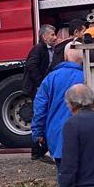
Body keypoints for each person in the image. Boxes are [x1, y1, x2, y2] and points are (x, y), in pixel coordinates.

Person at [31, 47, 84, 168]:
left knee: (63, 173)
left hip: (57, 135)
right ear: (82, 59)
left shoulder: (51, 78)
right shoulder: (87, 77)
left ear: (65, 57)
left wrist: (38, 133)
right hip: (83, 135)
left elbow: (40, 108)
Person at [21, 24, 57, 161]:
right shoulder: (38, 49)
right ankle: (36, 150)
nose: (55, 37)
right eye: (52, 35)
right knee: (40, 115)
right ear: (44, 36)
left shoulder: (51, 49)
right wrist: (41, 83)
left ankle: (42, 148)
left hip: (43, 86)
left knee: (45, 115)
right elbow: (31, 66)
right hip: (37, 87)